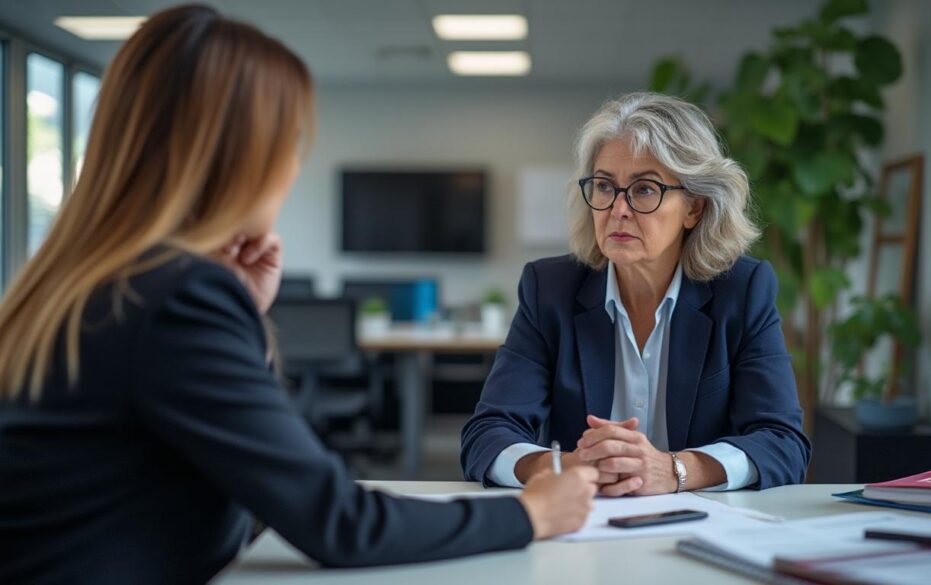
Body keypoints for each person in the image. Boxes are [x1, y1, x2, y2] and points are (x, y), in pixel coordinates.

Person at [0, 6, 597, 584]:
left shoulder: (88, 280)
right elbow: (339, 523)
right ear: (242, 157)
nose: (291, 164)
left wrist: (245, 315)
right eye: (290, 141)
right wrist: (531, 512)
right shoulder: (176, 298)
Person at [461, 92, 810, 496]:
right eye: (605, 186)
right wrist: (566, 466)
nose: (618, 209)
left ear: (694, 208)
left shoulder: (742, 292)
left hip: (700, 529)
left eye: (644, 190)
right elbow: (486, 434)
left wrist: (674, 470)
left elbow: (783, 443)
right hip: (579, 527)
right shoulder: (549, 290)